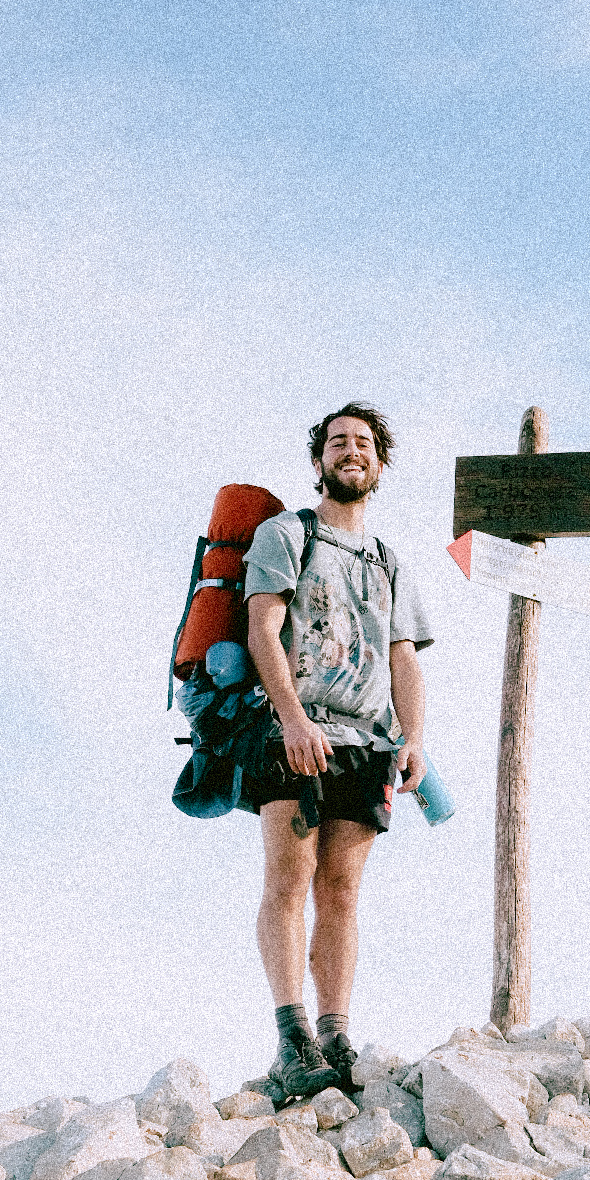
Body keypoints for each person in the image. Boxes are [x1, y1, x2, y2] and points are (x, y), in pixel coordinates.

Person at [243, 403, 432, 1104]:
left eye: (363, 444)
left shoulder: (389, 562)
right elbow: (264, 629)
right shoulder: (287, 534)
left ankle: (336, 1034)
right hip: (295, 732)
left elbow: (404, 659)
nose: (350, 452)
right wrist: (291, 716)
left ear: (379, 464)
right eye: (337, 442)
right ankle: (293, 1040)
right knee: (289, 881)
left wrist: (415, 740)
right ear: (319, 459)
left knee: (343, 893)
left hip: (367, 744)